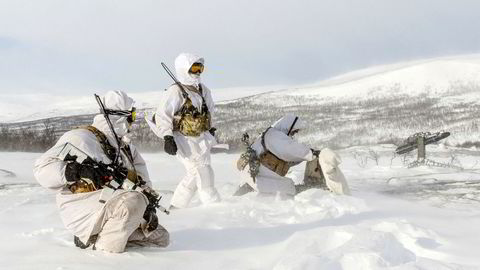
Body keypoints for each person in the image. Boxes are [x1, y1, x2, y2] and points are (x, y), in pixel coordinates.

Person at [33, 90, 169, 253]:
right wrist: (74, 171)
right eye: (131, 116)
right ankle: (103, 256)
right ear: (119, 117)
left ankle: (97, 238)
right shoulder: (80, 137)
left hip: (115, 204)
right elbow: (41, 170)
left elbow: (141, 177)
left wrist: (147, 204)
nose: (133, 121)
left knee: (161, 237)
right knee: (132, 203)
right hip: (82, 206)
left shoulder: (125, 147)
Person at [153, 53, 220, 209]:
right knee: (202, 171)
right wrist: (168, 137)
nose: (198, 72)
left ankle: (177, 207)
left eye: (200, 68)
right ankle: (213, 207)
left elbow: (210, 110)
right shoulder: (175, 91)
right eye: (194, 68)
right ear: (184, 69)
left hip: (201, 138)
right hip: (182, 138)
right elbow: (163, 115)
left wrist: (211, 128)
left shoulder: (203, 90)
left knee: (194, 173)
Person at [234, 114, 350, 196]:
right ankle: (314, 189)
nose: (294, 134)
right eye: (294, 131)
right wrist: (311, 153)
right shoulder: (275, 136)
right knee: (290, 189)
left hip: (255, 176)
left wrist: (306, 156)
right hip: (261, 179)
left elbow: (288, 157)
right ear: (288, 127)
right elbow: (291, 149)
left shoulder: (270, 134)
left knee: (287, 186)